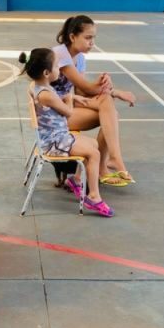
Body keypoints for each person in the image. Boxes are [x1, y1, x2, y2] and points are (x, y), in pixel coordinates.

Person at [20, 48, 113, 217]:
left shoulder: (37, 86)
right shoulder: (46, 94)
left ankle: (76, 180)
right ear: (47, 72)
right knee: (94, 154)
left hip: (54, 137)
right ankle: (93, 196)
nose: (59, 69)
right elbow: (68, 112)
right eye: (56, 66)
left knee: (93, 144)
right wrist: (71, 98)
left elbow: (57, 98)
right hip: (54, 142)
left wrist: (74, 97)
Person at [53, 14, 136, 186]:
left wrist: (105, 87)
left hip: (68, 107)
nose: (92, 43)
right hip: (54, 116)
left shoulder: (80, 58)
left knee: (108, 111)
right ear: (72, 37)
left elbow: (82, 91)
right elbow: (88, 88)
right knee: (109, 113)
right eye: (88, 38)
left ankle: (107, 163)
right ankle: (108, 163)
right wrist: (115, 92)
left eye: (93, 38)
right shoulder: (60, 54)